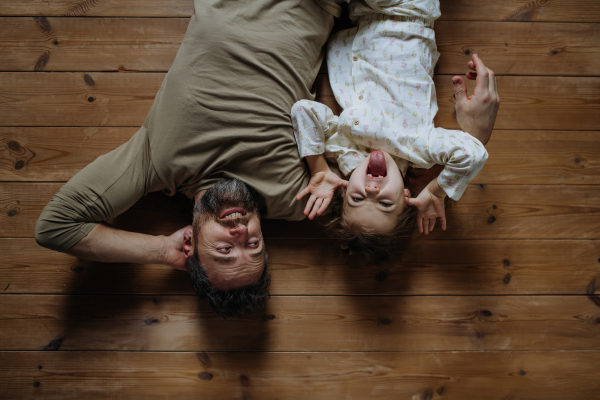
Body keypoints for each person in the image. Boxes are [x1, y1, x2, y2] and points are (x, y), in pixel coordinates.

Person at [34, 0, 499, 317]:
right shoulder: (299, 200)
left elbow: (56, 227)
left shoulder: (154, 165)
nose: (241, 233)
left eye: (224, 248)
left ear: (191, 243)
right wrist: (476, 129)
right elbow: (389, 202)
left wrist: (160, 251)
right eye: (253, 246)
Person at [291, 0, 499, 261]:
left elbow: (303, 110)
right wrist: (436, 191)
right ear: (407, 197)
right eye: (385, 204)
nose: (371, 191)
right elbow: (473, 154)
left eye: (356, 198)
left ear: (343, 189)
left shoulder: (343, 149)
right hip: (407, 11)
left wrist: (318, 168)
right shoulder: (420, 149)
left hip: (364, 15)